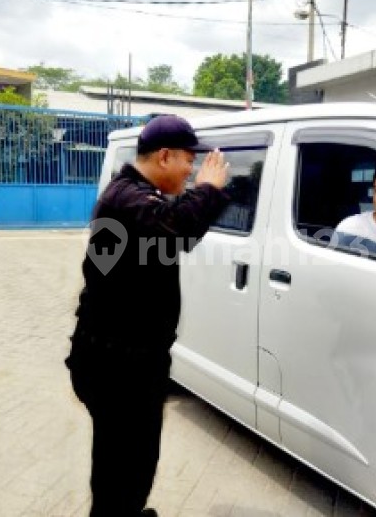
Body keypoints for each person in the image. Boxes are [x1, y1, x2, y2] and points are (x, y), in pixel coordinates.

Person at [65, 114, 230, 517]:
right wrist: (209, 189)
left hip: (121, 358)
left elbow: (172, 229)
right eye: (188, 161)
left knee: (124, 460)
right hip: (118, 365)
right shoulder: (129, 200)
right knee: (126, 464)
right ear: (164, 156)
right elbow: (178, 227)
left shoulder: (132, 196)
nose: (191, 170)